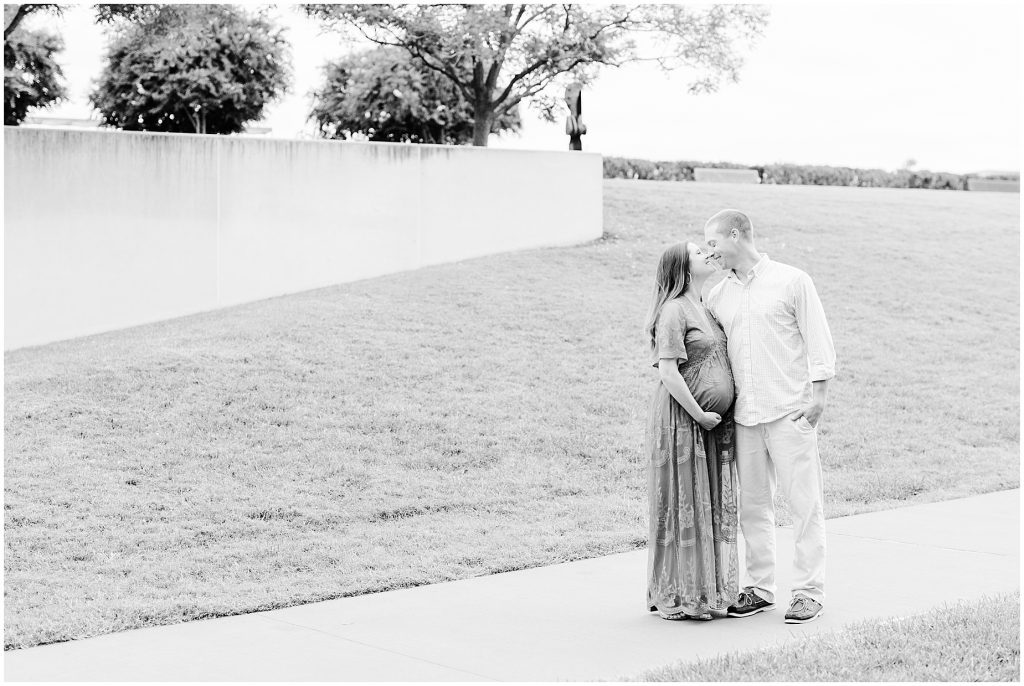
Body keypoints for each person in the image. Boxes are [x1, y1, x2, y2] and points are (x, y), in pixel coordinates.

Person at [703, 209, 836, 625]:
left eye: (713, 243)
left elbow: (818, 339)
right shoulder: (716, 295)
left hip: (789, 412)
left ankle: (808, 592)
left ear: (736, 234)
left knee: (803, 504)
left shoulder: (792, 280)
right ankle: (759, 589)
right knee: (753, 507)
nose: (710, 253)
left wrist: (818, 399)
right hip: (745, 418)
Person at [644, 241, 740, 621]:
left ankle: (701, 590)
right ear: (683, 268)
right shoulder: (673, 310)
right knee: (683, 505)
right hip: (683, 421)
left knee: (705, 505)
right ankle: (678, 595)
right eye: (699, 252)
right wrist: (700, 414)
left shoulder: (706, 306)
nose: (708, 255)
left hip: (708, 426)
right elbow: (668, 371)